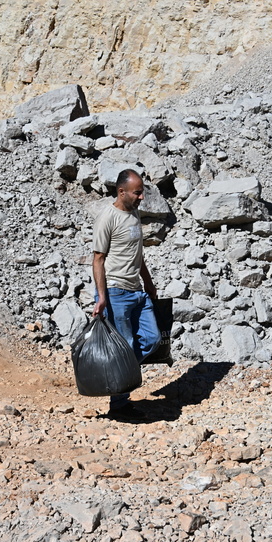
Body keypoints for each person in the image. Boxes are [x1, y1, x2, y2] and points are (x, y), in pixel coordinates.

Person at [92, 169, 161, 414]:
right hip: (115, 292)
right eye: (137, 192)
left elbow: (138, 255)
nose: (142, 197)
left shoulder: (134, 214)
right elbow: (98, 259)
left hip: (137, 291)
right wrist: (102, 297)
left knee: (152, 339)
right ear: (121, 192)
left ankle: (118, 373)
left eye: (141, 192)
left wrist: (149, 284)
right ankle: (119, 404)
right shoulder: (107, 218)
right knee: (126, 346)